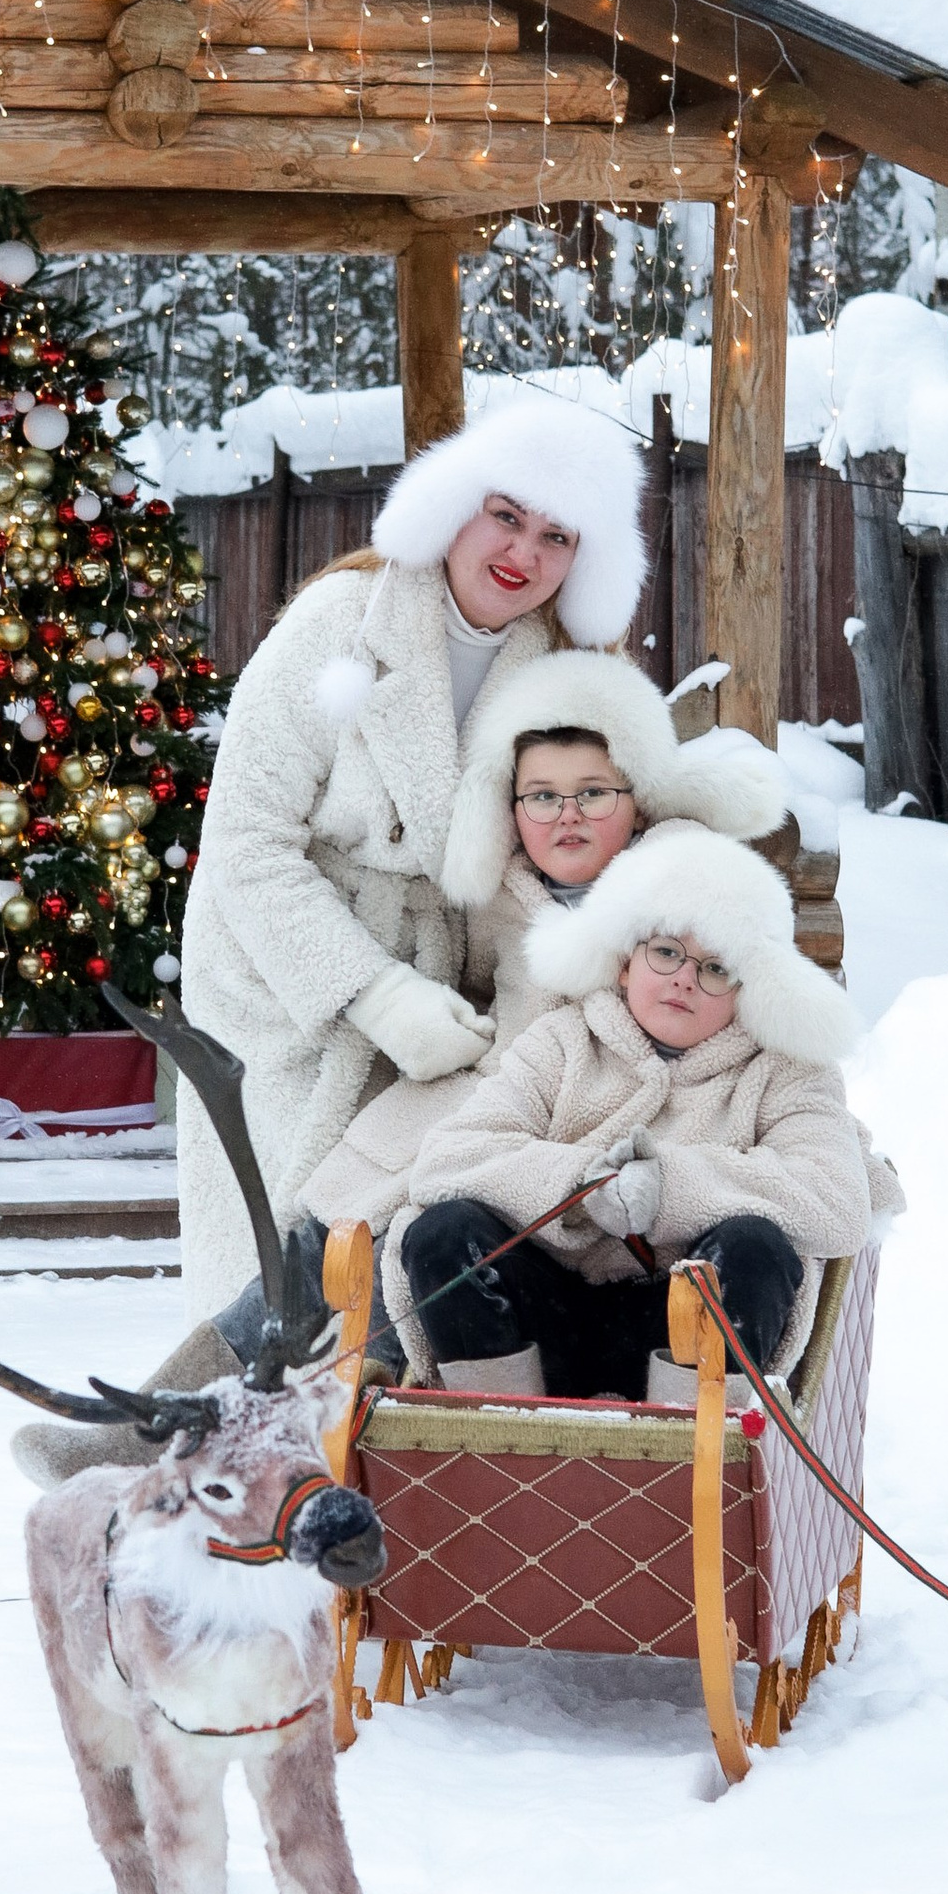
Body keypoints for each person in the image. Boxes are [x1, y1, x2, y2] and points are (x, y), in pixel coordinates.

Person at [170, 397, 647, 1321]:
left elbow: (615, 824)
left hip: (459, 1001)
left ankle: (392, 1452)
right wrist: (373, 993)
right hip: (291, 982)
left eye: (557, 534)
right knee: (280, 1257)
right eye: (506, 515)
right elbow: (243, 840)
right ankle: (203, 1425)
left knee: (404, 1263)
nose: (523, 552)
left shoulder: (570, 666)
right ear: (456, 504)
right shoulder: (339, 621)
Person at [297, 649, 790, 1247]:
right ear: (510, 805)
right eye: (542, 796)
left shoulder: (681, 875)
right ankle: (280, 1314)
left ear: (638, 798)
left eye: (594, 793)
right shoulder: (505, 894)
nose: (568, 817)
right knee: (358, 1198)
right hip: (507, 1095)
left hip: (618, 1111)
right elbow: (482, 982)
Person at [390, 827, 878, 1405]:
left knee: (755, 1246)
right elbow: (451, 1157)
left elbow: (836, 1200)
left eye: (716, 967)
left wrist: (671, 1189)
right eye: (666, 952)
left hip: (680, 1330)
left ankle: (678, 1447)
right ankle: (502, 1431)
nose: (684, 979)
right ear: (625, 963)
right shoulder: (562, 1041)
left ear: (748, 988)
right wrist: (579, 1184)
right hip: (540, 1320)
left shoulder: (788, 1071)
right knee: (444, 1233)